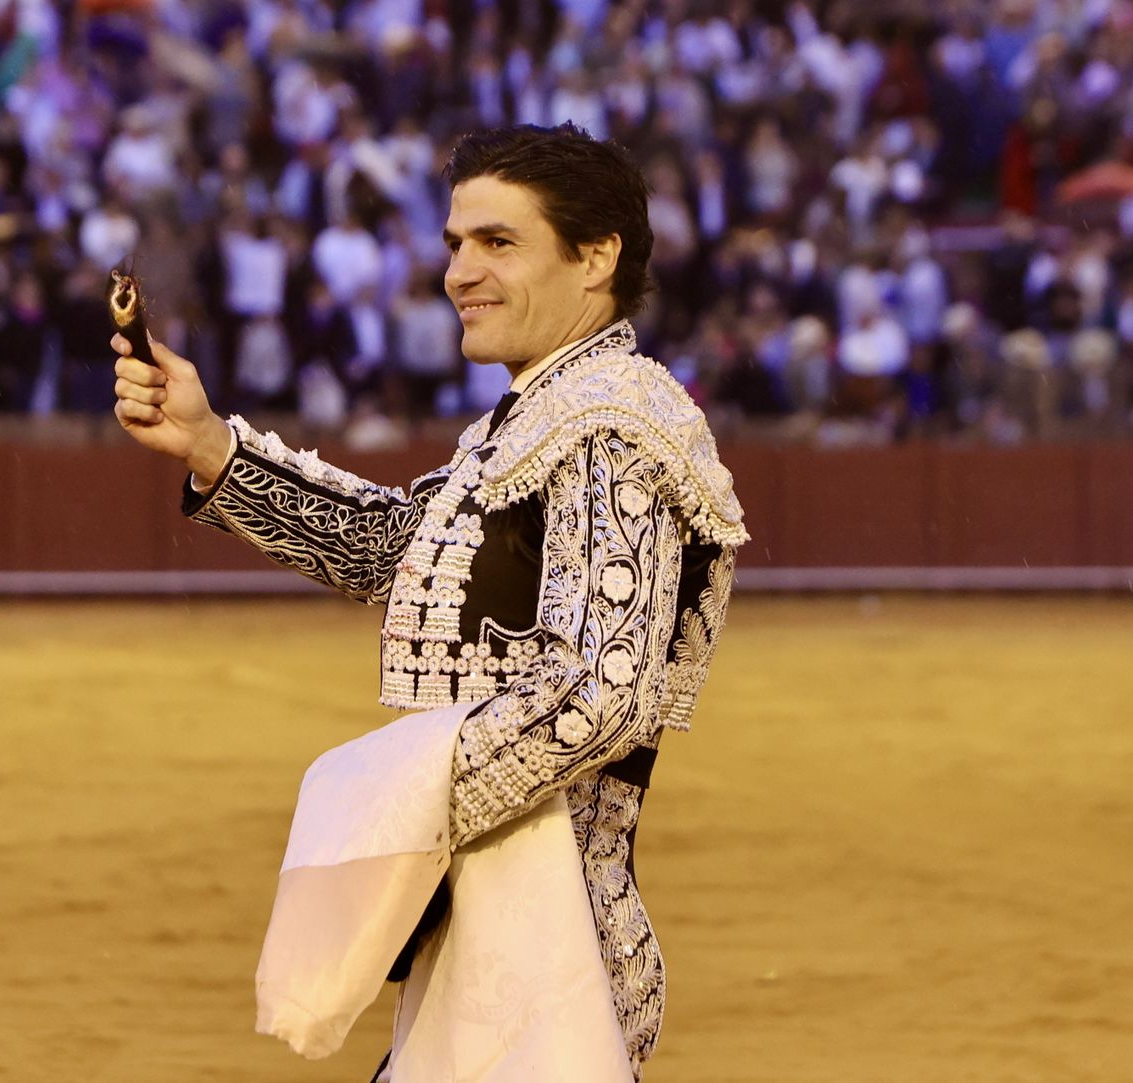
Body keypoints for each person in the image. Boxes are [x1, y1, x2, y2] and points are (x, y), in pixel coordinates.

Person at [111, 123, 748, 1081]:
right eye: (455, 243)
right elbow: (392, 547)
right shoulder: (544, 415)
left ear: (597, 257)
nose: (460, 271)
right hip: (500, 926)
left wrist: (409, 799)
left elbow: (603, 688)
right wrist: (207, 442)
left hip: (548, 937)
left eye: (498, 242)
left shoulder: (612, 423)